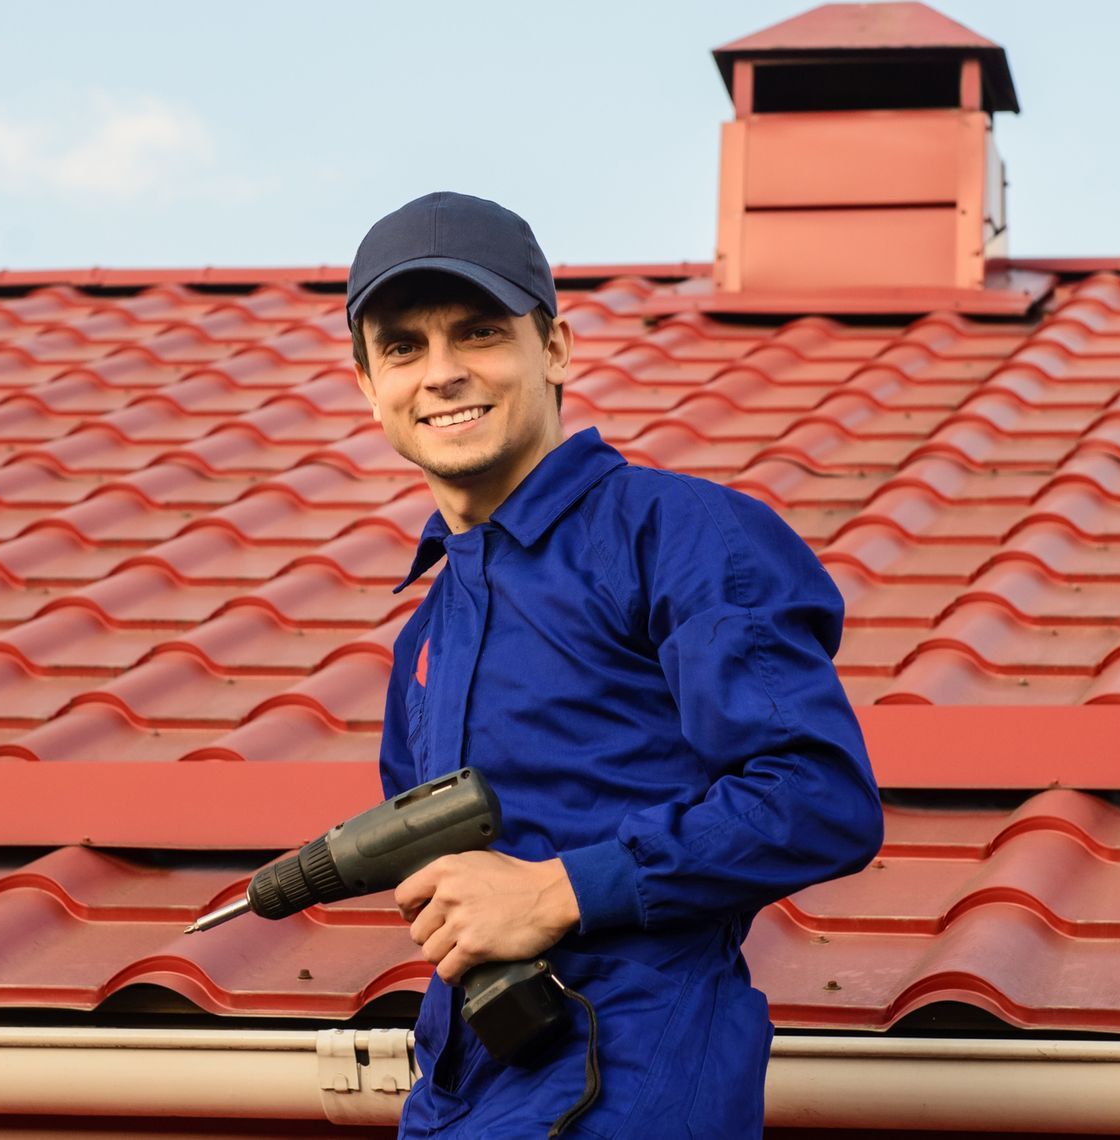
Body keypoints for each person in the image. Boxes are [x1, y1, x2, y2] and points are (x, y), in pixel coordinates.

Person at [350, 191, 884, 1138]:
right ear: (368, 384)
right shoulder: (425, 635)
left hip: (631, 1090)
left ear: (553, 349)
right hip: (460, 1096)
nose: (441, 374)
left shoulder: (677, 535)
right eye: (403, 347)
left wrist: (560, 890)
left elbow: (817, 796)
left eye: (477, 332)